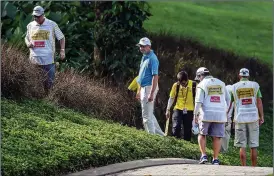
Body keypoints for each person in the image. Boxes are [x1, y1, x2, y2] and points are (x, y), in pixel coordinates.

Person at [193, 67, 230, 165]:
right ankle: (215, 159)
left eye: (198, 78)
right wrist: (225, 111)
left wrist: (195, 115)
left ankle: (204, 156)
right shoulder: (221, 83)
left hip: (206, 114)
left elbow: (198, 101)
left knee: (202, 134)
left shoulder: (202, 84)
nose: (198, 80)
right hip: (220, 115)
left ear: (201, 76)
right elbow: (228, 99)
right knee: (217, 137)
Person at [25, 6, 65, 94]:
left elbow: (61, 37)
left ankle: (49, 101)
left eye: (38, 16)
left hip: (48, 60)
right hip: (34, 59)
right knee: (35, 83)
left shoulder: (52, 24)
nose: (36, 18)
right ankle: (36, 101)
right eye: (34, 16)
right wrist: (28, 43)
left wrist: (62, 50)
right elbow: (26, 38)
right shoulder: (30, 25)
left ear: (43, 15)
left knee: (49, 84)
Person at [228, 68, 264, 167]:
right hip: (253, 117)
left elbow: (230, 103)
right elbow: (259, 102)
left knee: (242, 146)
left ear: (239, 76)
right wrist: (262, 116)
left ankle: (243, 168)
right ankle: (254, 168)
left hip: (240, 118)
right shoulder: (254, 85)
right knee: (253, 146)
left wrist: (226, 115)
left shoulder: (234, 87)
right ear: (248, 76)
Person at [136, 37, 164, 136]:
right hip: (144, 87)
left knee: (146, 116)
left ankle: (151, 137)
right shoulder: (144, 56)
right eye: (140, 46)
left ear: (149, 46)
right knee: (149, 114)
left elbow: (155, 76)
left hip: (149, 87)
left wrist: (151, 93)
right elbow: (140, 75)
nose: (141, 48)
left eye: (143, 46)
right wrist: (139, 90)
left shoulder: (153, 58)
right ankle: (160, 136)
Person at [165, 71, 196, 141]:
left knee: (187, 129)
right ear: (179, 81)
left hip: (189, 110)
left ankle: (187, 145)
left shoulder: (194, 85)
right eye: (182, 83)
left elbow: (198, 99)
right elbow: (171, 98)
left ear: (188, 80)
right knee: (176, 126)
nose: (184, 85)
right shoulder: (176, 85)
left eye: (185, 83)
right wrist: (168, 109)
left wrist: (198, 112)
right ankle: (175, 142)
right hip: (178, 108)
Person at [220, 85, 234, 153]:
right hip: (228, 117)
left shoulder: (223, 94)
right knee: (226, 134)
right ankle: (224, 150)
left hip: (220, 117)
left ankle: (219, 149)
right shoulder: (233, 95)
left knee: (219, 133)